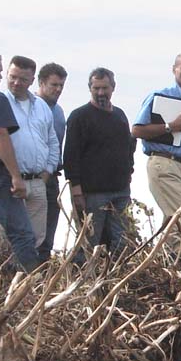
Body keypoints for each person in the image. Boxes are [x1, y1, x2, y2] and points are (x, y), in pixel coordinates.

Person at [132, 53, 181, 253]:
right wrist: (169, 126)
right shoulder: (161, 96)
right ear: (174, 70)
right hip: (166, 162)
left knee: (174, 230)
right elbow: (137, 130)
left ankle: (166, 276)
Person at [64, 68, 136, 256]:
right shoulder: (79, 116)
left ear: (113, 87)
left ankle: (117, 279)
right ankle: (83, 280)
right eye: (96, 88)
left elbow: (128, 147)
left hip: (120, 191)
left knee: (122, 242)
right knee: (89, 243)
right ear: (90, 88)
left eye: (105, 88)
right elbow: (71, 156)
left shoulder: (120, 116)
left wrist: (128, 172)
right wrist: (76, 191)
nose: (101, 93)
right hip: (92, 193)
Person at [0, 56, 59, 247]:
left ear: (33, 80)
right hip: (8, 182)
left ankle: (30, 277)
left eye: (23, 79)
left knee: (36, 240)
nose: (16, 83)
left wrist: (47, 173)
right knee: (6, 241)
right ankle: (6, 277)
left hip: (37, 182)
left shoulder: (41, 106)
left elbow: (52, 143)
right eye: (12, 77)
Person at [0, 48, 39, 271]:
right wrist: (15, 176)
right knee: (22, 235)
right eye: (0, 71)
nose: (1, 76)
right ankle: (31, 288)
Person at [35, 62, 67, 261]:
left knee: (49, 231)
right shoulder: (30, 107)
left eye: (61, 86)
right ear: (41, 82)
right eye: (54, 85)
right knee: (31, 233)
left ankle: (42, 276)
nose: (58, 89)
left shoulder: (59, 111)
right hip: (33, 176)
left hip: (53, 175)